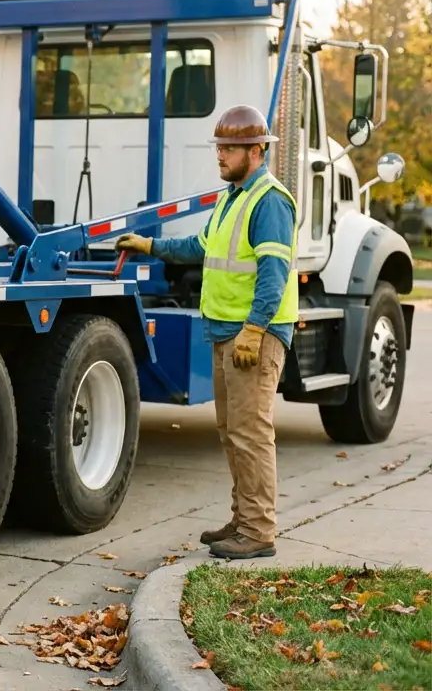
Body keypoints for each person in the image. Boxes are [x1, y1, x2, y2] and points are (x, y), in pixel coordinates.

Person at [115, 104, 297, 560]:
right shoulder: (232, 197)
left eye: (229, 148)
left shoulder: (269, 201)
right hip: (226, 333)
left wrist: (255, 330)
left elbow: (274, 273)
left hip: (252, 334)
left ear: (256, 151)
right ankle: (243, 520)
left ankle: (259, 531)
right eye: (219, 147)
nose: (220, 155)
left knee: (251, 433)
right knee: (232, 432)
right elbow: (202, 247)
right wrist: (151, 245)